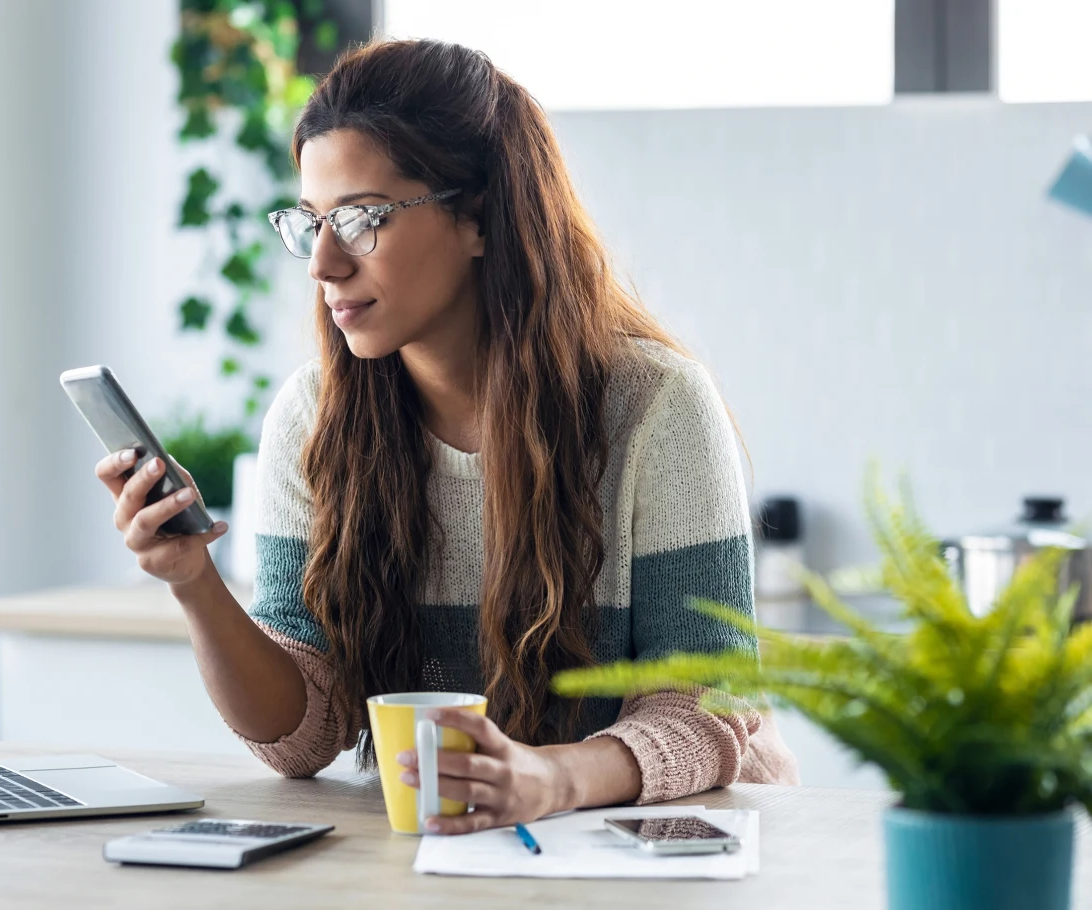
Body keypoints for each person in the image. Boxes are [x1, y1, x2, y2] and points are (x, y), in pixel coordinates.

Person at [96, 38, 798, 835]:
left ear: (478, 217)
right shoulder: (311, 417)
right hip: (458, 849)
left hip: (673, 847)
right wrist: (194, 582)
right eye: (310, 222)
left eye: (361, 219)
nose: (323, 262)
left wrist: (547, 778)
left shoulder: (656, 407)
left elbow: (706, 701)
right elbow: (301, 737)